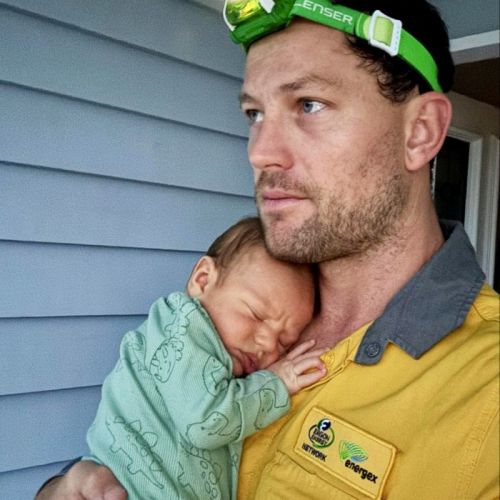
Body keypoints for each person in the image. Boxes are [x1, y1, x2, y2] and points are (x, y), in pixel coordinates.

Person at [36, 1, 499, 499]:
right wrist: (64, 487)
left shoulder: (484, 391)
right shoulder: (237, 302)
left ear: (421, 131)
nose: (259, 151)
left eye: (308, 104)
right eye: (255, 113)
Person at [81, 217, 326, 499]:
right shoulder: (182, 327)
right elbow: (206, 422)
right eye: (256, 314)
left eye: (285, 341)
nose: (268, 344)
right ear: (203, 280)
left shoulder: (222, 365)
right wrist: (277, 383)